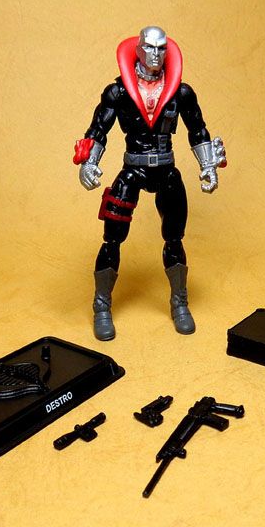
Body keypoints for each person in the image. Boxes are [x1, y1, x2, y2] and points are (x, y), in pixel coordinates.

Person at [73, 26, 226, 341]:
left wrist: (208, 165)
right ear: (138, 50)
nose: (156, 54)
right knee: (112, 238)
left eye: (161, 48)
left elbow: (197, 129)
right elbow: (99, 128)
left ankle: (179, 302)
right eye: (150, 47)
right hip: (133, 169)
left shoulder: (180, 92)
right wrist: (89, 162)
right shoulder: (118, 92)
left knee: (174, 237)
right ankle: (101, 305)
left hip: (166, 169)